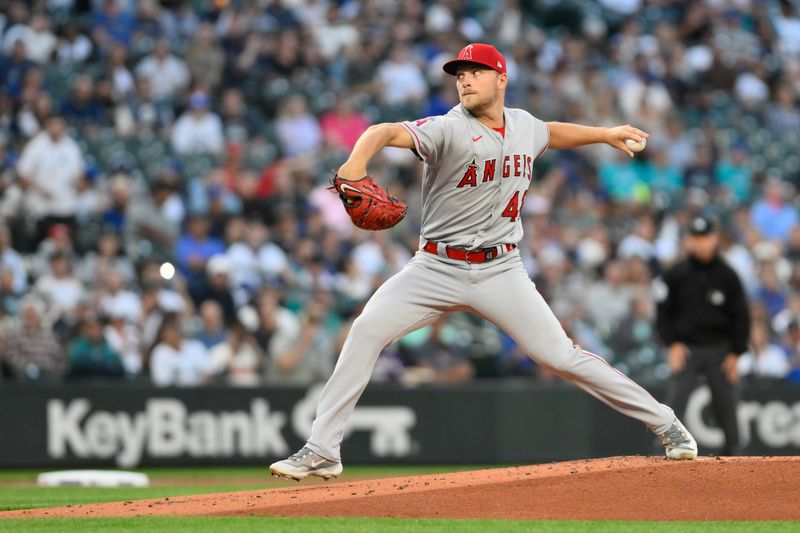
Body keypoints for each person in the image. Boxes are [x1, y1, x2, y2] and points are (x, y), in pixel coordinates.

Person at [270, 43, 697, 481]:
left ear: (501, 79)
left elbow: (551, 131)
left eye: (475, 72)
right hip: (435, 268)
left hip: (501, 270)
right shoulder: (447, 129)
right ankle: (323, 449)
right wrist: (354, 165)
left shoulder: (524, 126)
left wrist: (603, 133)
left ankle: (667, 424)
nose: (465, 80)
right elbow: (383, 131)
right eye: (459, 75)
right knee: (364, 332)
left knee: (561, 356)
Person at [655, 215, 750, 456]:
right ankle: (657, 461)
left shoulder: (728, 276)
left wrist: (736, 353)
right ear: (688, 240)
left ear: (715, 238)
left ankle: (734, 460)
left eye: (704, 237)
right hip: (686, 348)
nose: (700, 243)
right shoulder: (676, 274)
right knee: (673, 406)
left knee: (727, 410)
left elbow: (741, 316)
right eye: (695, 238)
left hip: (720, 349)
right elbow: (663, 312)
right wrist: (672, 344)